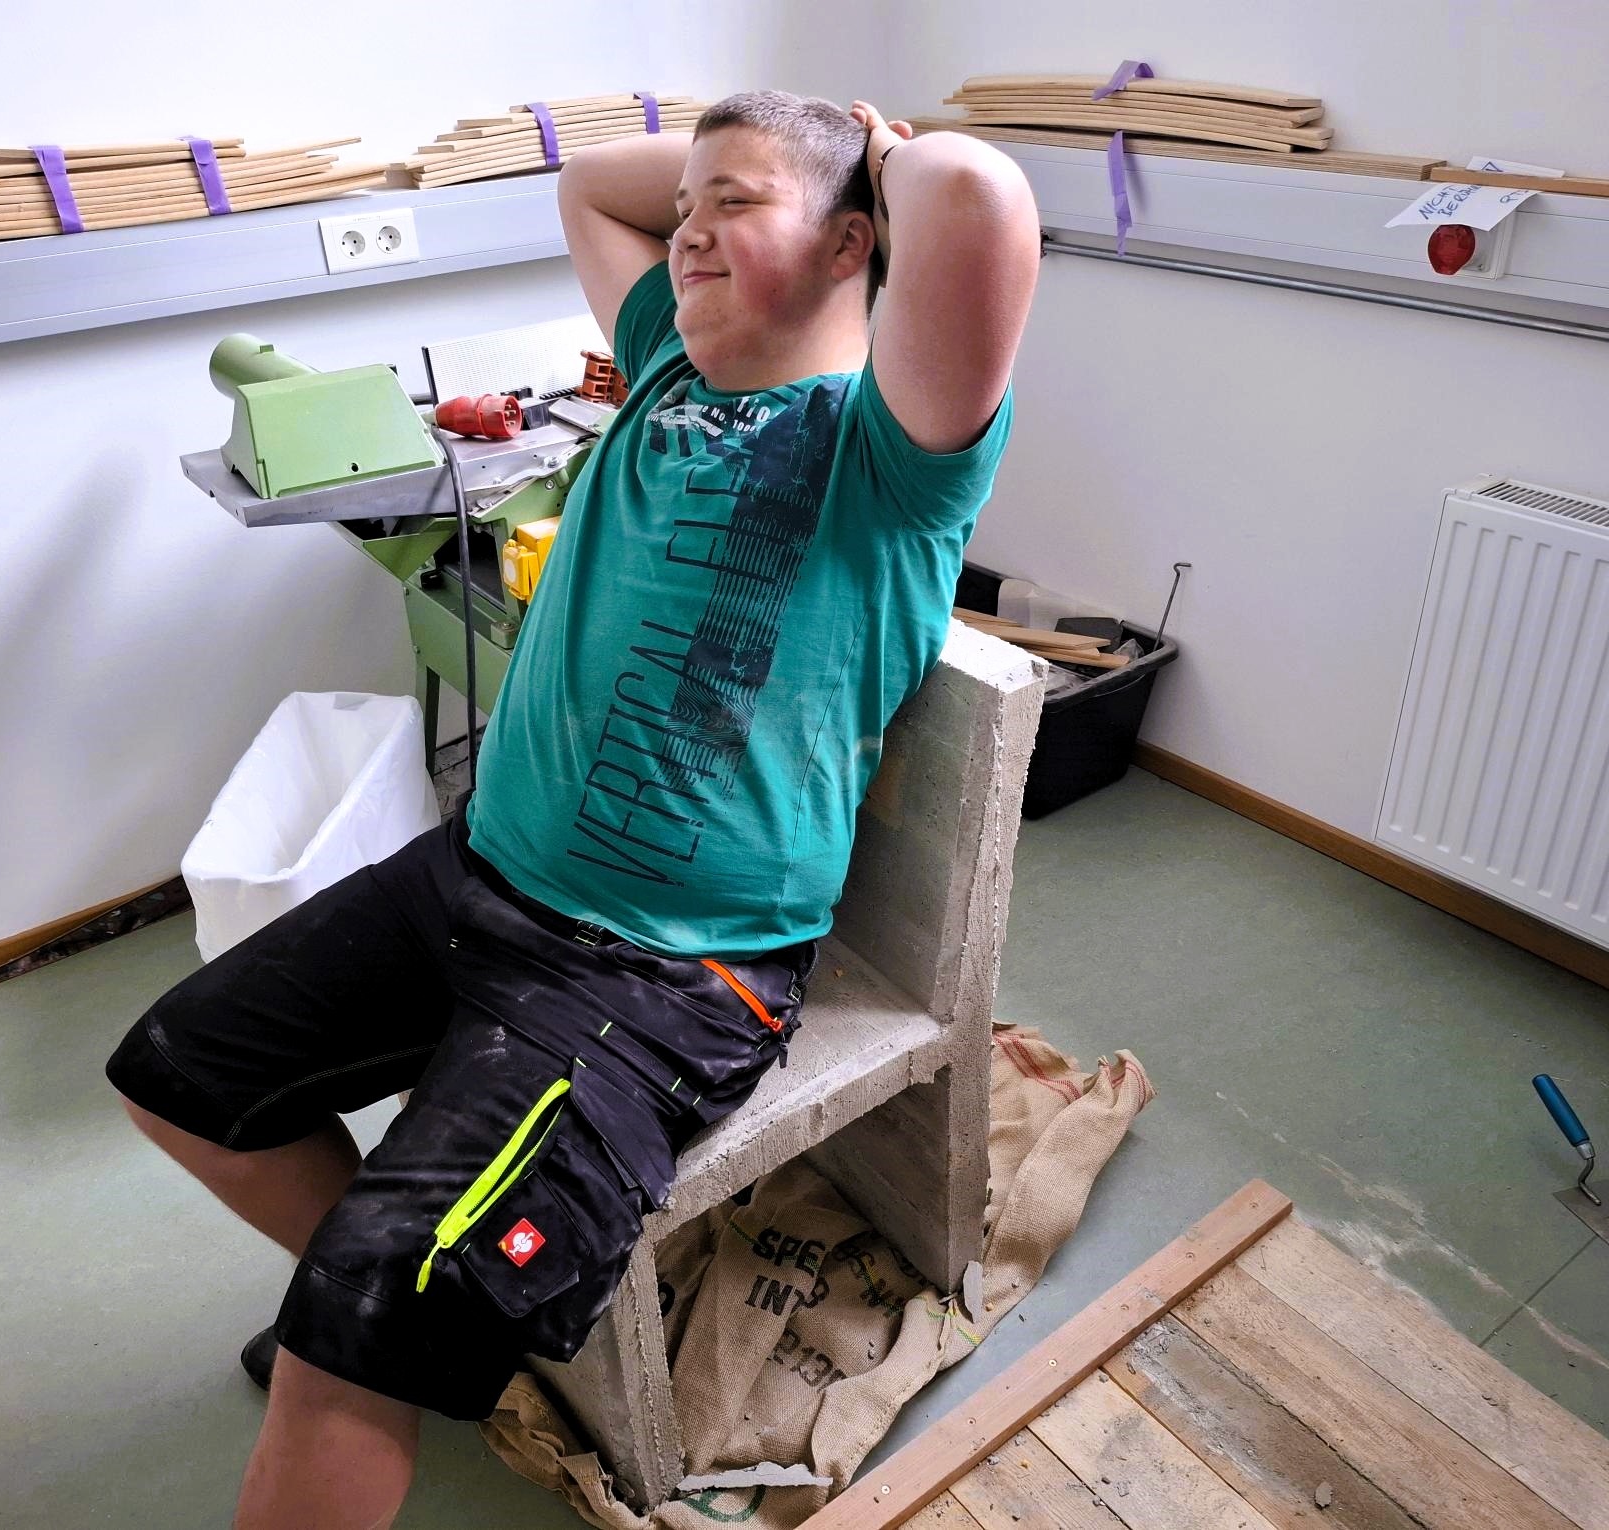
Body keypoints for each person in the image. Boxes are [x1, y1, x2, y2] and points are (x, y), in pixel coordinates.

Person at [104, 89, 1040, 1530]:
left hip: (660, 973)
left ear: (855, 240)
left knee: (353, 1326)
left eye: (737, 206)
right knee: (176, 1075)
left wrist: (875, 153)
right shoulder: (665, 368)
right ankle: (413, 1323)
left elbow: (976, 196)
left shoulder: (889, 452)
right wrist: (747, 175)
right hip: (478, 874)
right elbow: (594, 183)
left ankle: (377, 1328)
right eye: (690, 210)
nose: (691, 232)